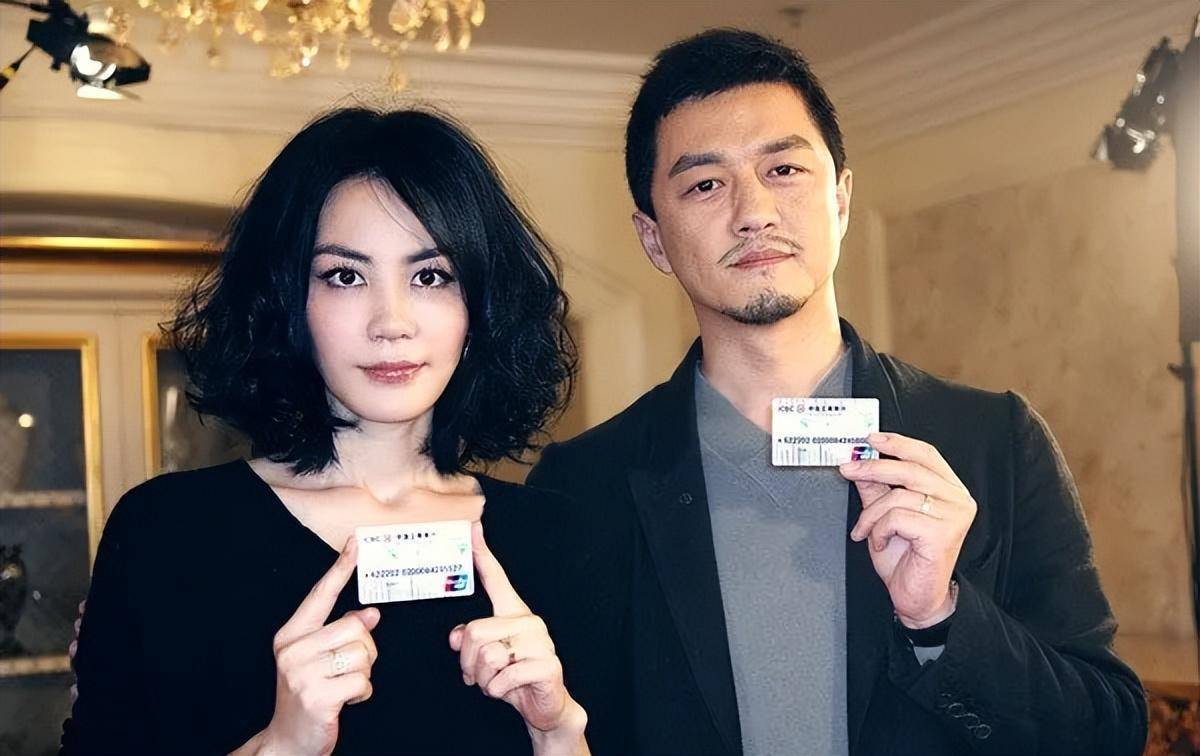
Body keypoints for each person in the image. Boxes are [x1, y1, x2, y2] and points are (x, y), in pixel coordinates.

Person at [527, 28, 1148, 756]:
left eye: (784, 169)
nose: (754, 212)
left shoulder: (992, 442)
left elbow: (1108, 732)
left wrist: (941, 618)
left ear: (842, 199)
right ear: (654, 238)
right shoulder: (581, 489)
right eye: (705, 184)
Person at [61, 107, 625, 755]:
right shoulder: (166, 535)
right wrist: (281, 746)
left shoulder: (563, 541)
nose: (392, 322)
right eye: (345, 276)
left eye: (430, 276)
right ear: (286, 302)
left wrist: (559, 733)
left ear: (480, 306)